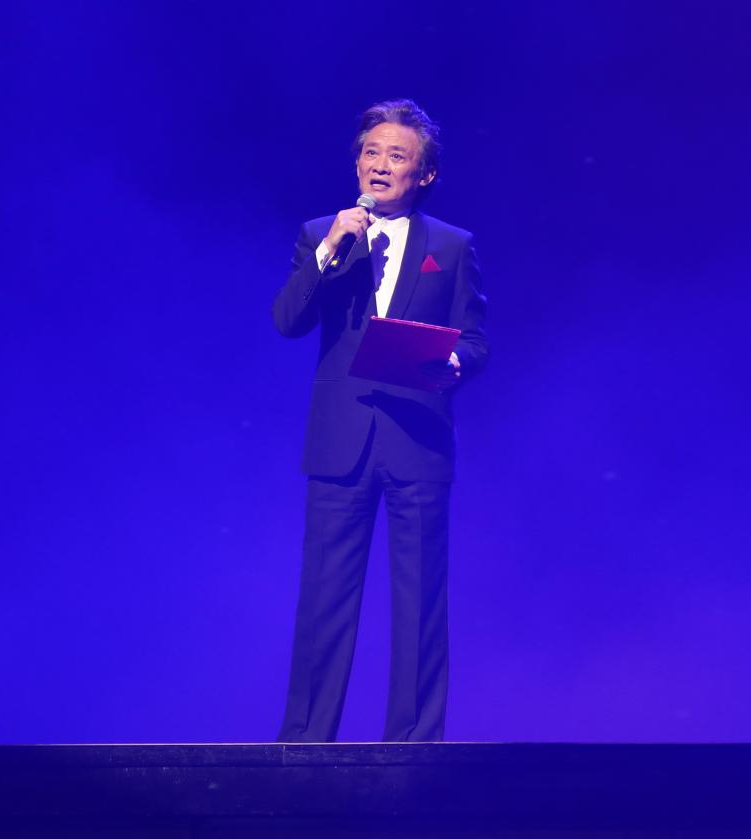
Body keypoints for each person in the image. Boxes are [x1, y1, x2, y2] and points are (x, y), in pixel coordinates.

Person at [272, 99, 488, 743]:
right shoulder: (322, 235)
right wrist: (331, 247)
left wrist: (452, 360)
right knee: (324, 599)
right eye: (371, 152)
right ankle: (304, 746)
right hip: (340, 441)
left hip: (418, 437)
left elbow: (476, 340)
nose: (381, 165)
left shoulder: (451, 246)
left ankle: (414, 749)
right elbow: (288, 321)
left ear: (424, 174)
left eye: (398, 155)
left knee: (420, 601)